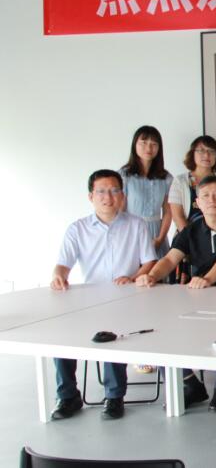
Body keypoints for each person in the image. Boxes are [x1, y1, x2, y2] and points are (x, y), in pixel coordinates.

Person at [135, 175, 216, 412]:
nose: (212, 200)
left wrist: (207, 279)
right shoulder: (191, 230)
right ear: (197, 202)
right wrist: (152, 275)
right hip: (198, 295)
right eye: (206, 196)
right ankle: (190, 385)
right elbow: (170, 259)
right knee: (164, 331)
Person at [49, 169, 157, 421]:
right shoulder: (77, 229)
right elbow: (63, 264)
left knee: (113, 330)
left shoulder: (136, 225)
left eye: (114, 190)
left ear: (122, 195)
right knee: (60, 334)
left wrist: (132, 278)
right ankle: (68, 396)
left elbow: (149, 262)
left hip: (127, 299)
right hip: (89, 301)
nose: (108, 197)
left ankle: (114, 396)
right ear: (91, 196)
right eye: (101, 191)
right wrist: (58, 276)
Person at [119, 125, 174, 258]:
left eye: (153, 144)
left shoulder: (166, 178)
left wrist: (160, 239)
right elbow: (120, 210)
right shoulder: (124, 175)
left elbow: (168, 211)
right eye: (143, 143)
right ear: (135, 145)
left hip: (157, 233)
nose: (149, 148)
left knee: (158, 268)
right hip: (130, 232)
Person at [169, 135, 216, 237]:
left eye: (211, 151)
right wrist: (192, 240)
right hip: (185, 238)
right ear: (192, 154)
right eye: (201, 150)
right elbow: (177, 216)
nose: (206, 155)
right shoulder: (180, 181)